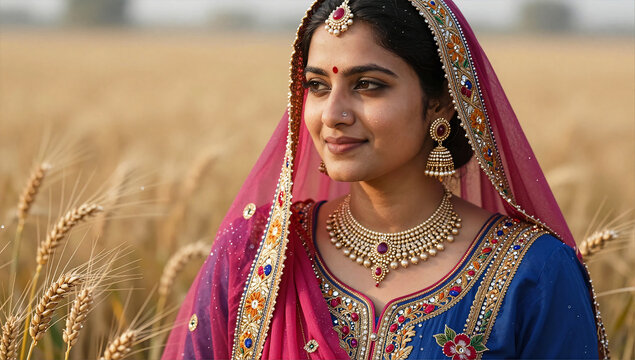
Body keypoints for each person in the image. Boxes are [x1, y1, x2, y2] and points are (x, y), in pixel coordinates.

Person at [162, 0, 609, 359]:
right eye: (317, 86)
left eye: (368, 85)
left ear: (440, 103)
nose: (333, 115)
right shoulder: (255, 252)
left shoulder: (534, 272)